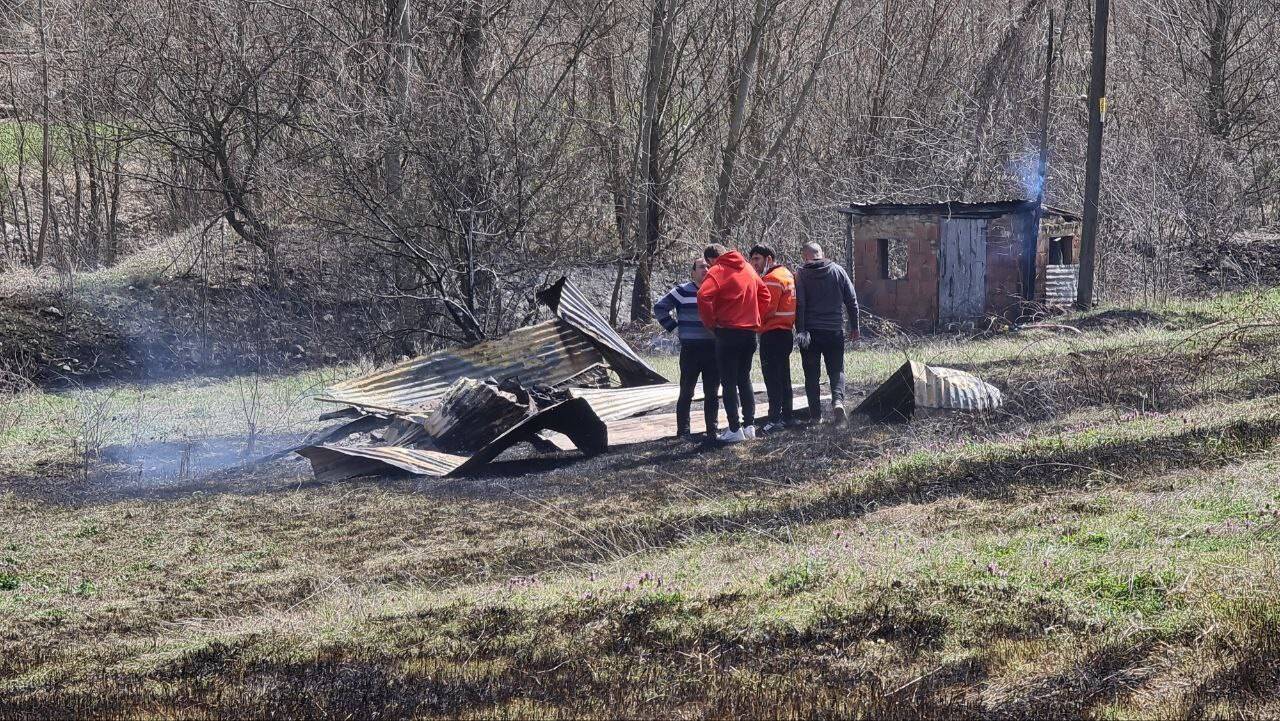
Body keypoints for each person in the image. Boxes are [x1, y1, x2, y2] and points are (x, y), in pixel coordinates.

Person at [697, 243, 770, 444]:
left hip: (727, 332)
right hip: (749, 333)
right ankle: (749, 426)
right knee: (744, 380)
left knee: (728, 382)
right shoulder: (747, 268)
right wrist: (757, 317)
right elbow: (765, 295)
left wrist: (710, 323)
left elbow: (703, 295)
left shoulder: (718, 270)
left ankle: (734, 428)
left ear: (712, 259)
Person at [654, 257, 719, 440]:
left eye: (708, 266)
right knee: (686, 391)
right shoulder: (682, 291)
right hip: (690, 349)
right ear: (692, 272)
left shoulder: (716, 290)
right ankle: (683, 431)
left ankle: (712, 430)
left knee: (712, 392)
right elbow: (660, 307)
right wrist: (674, 327)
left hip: (712, 348)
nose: (705, 270)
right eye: (701, 267)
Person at [794, 241, 859, 424]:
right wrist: (855, 326)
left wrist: (800, 329)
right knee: (836, 370)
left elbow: (799, 304)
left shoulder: (801, 275)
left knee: (811, 375)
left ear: (805, 256)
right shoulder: (838, 271)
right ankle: (838, 401)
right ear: (821, 253)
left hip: (810, 334)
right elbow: (852, 300)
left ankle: (816, 416)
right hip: (834, 330)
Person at [749, 244, 796, 433]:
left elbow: (767, 310)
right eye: (752, 259)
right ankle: (788, 416)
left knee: (772, 378)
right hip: (785, 333)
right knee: (784, 377)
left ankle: (774, 419)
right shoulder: (786, 274)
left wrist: (752, 324)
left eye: (757, 259)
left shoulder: (771, 279)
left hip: (772, 334)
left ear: (769, 258)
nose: (754, 264)